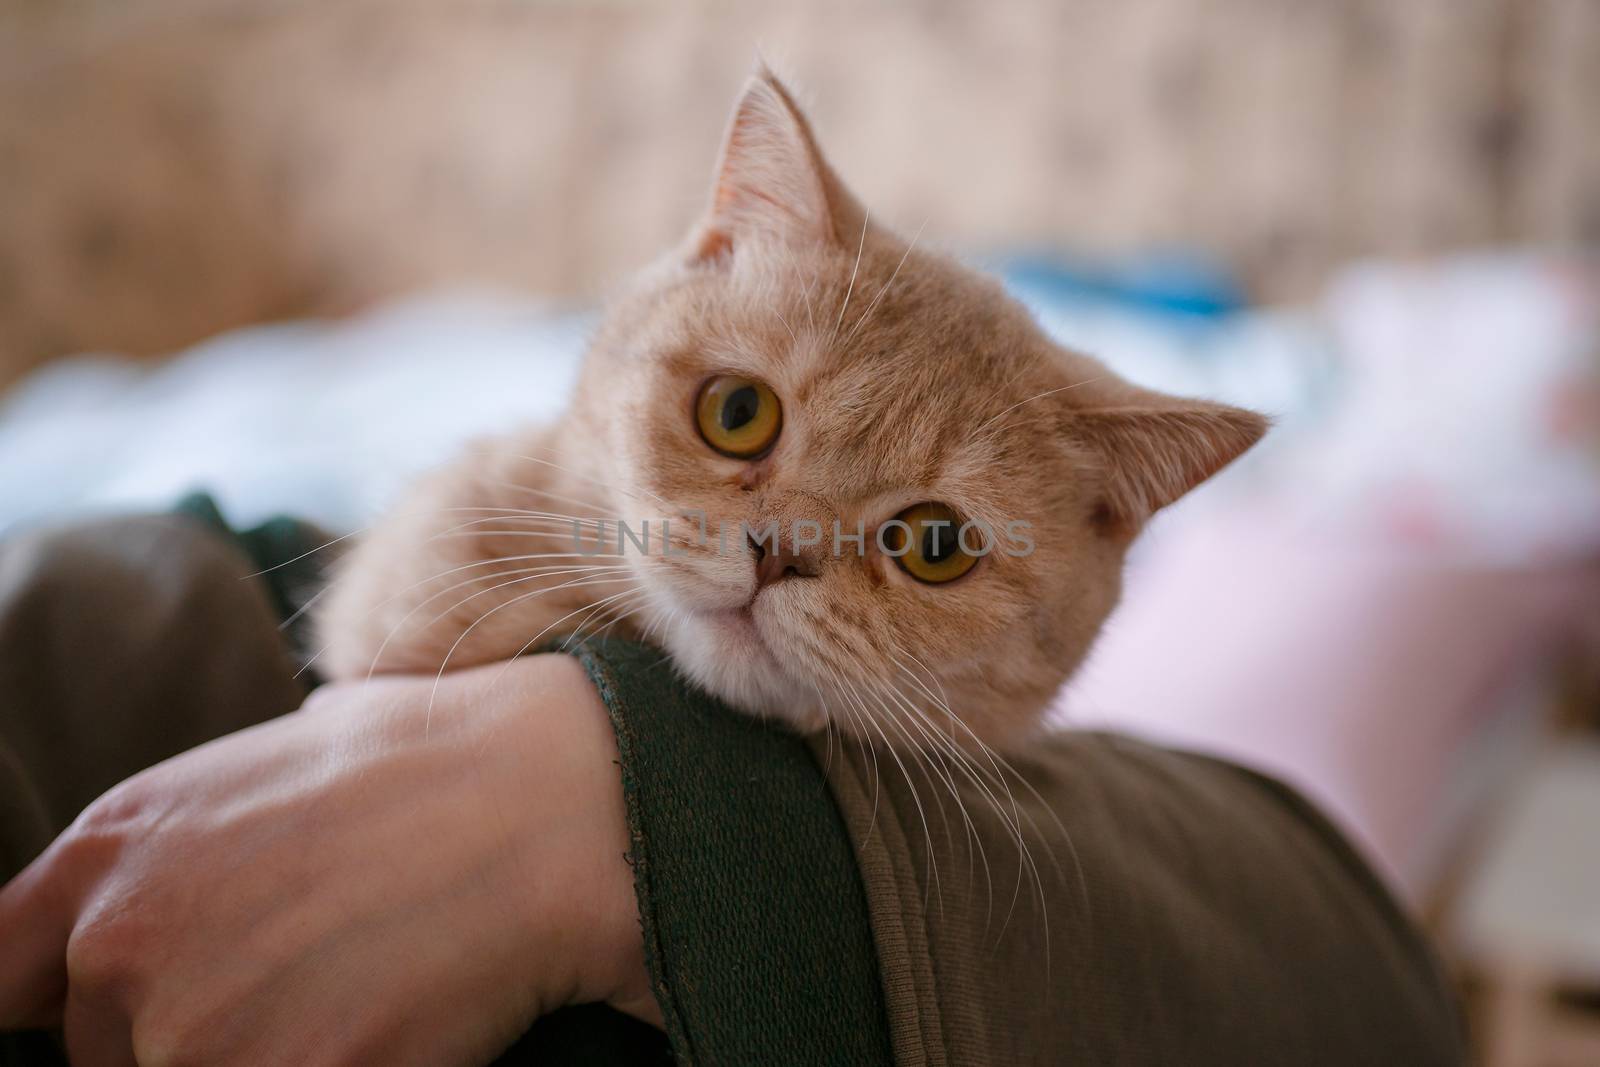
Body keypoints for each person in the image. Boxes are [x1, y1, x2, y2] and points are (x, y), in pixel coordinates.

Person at [0, 501, 1467, 1065]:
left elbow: (1374, 996)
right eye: (744, 422)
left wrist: (611, 786)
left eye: (936, 544)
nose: (775, 555)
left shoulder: (137, 621)